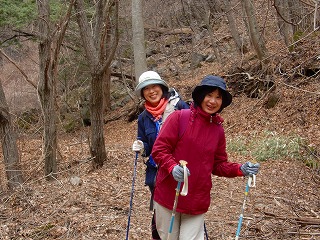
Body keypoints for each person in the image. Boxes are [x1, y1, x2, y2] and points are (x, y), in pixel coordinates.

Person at [151, 75, 261, 240]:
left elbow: (218, 164)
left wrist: (240, 169)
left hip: (197, 201)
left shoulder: (218, 130)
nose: (213, 101)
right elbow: (159, 150)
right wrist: (172, 167)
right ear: (201, 96)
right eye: (209, 95)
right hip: (169, 196)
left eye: (218, 97)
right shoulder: (179, 118)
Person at [131, 70, 190, 239]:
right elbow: (147, 148)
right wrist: (141, 146)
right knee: (162, 211)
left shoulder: (179, 106)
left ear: (162, 87)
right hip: (157, 174)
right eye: (146, 88)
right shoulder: (143, 117)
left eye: (154, 86)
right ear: (142, 93)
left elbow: (193, 132)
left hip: (180, 168)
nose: (151, 91)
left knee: (182, 208)